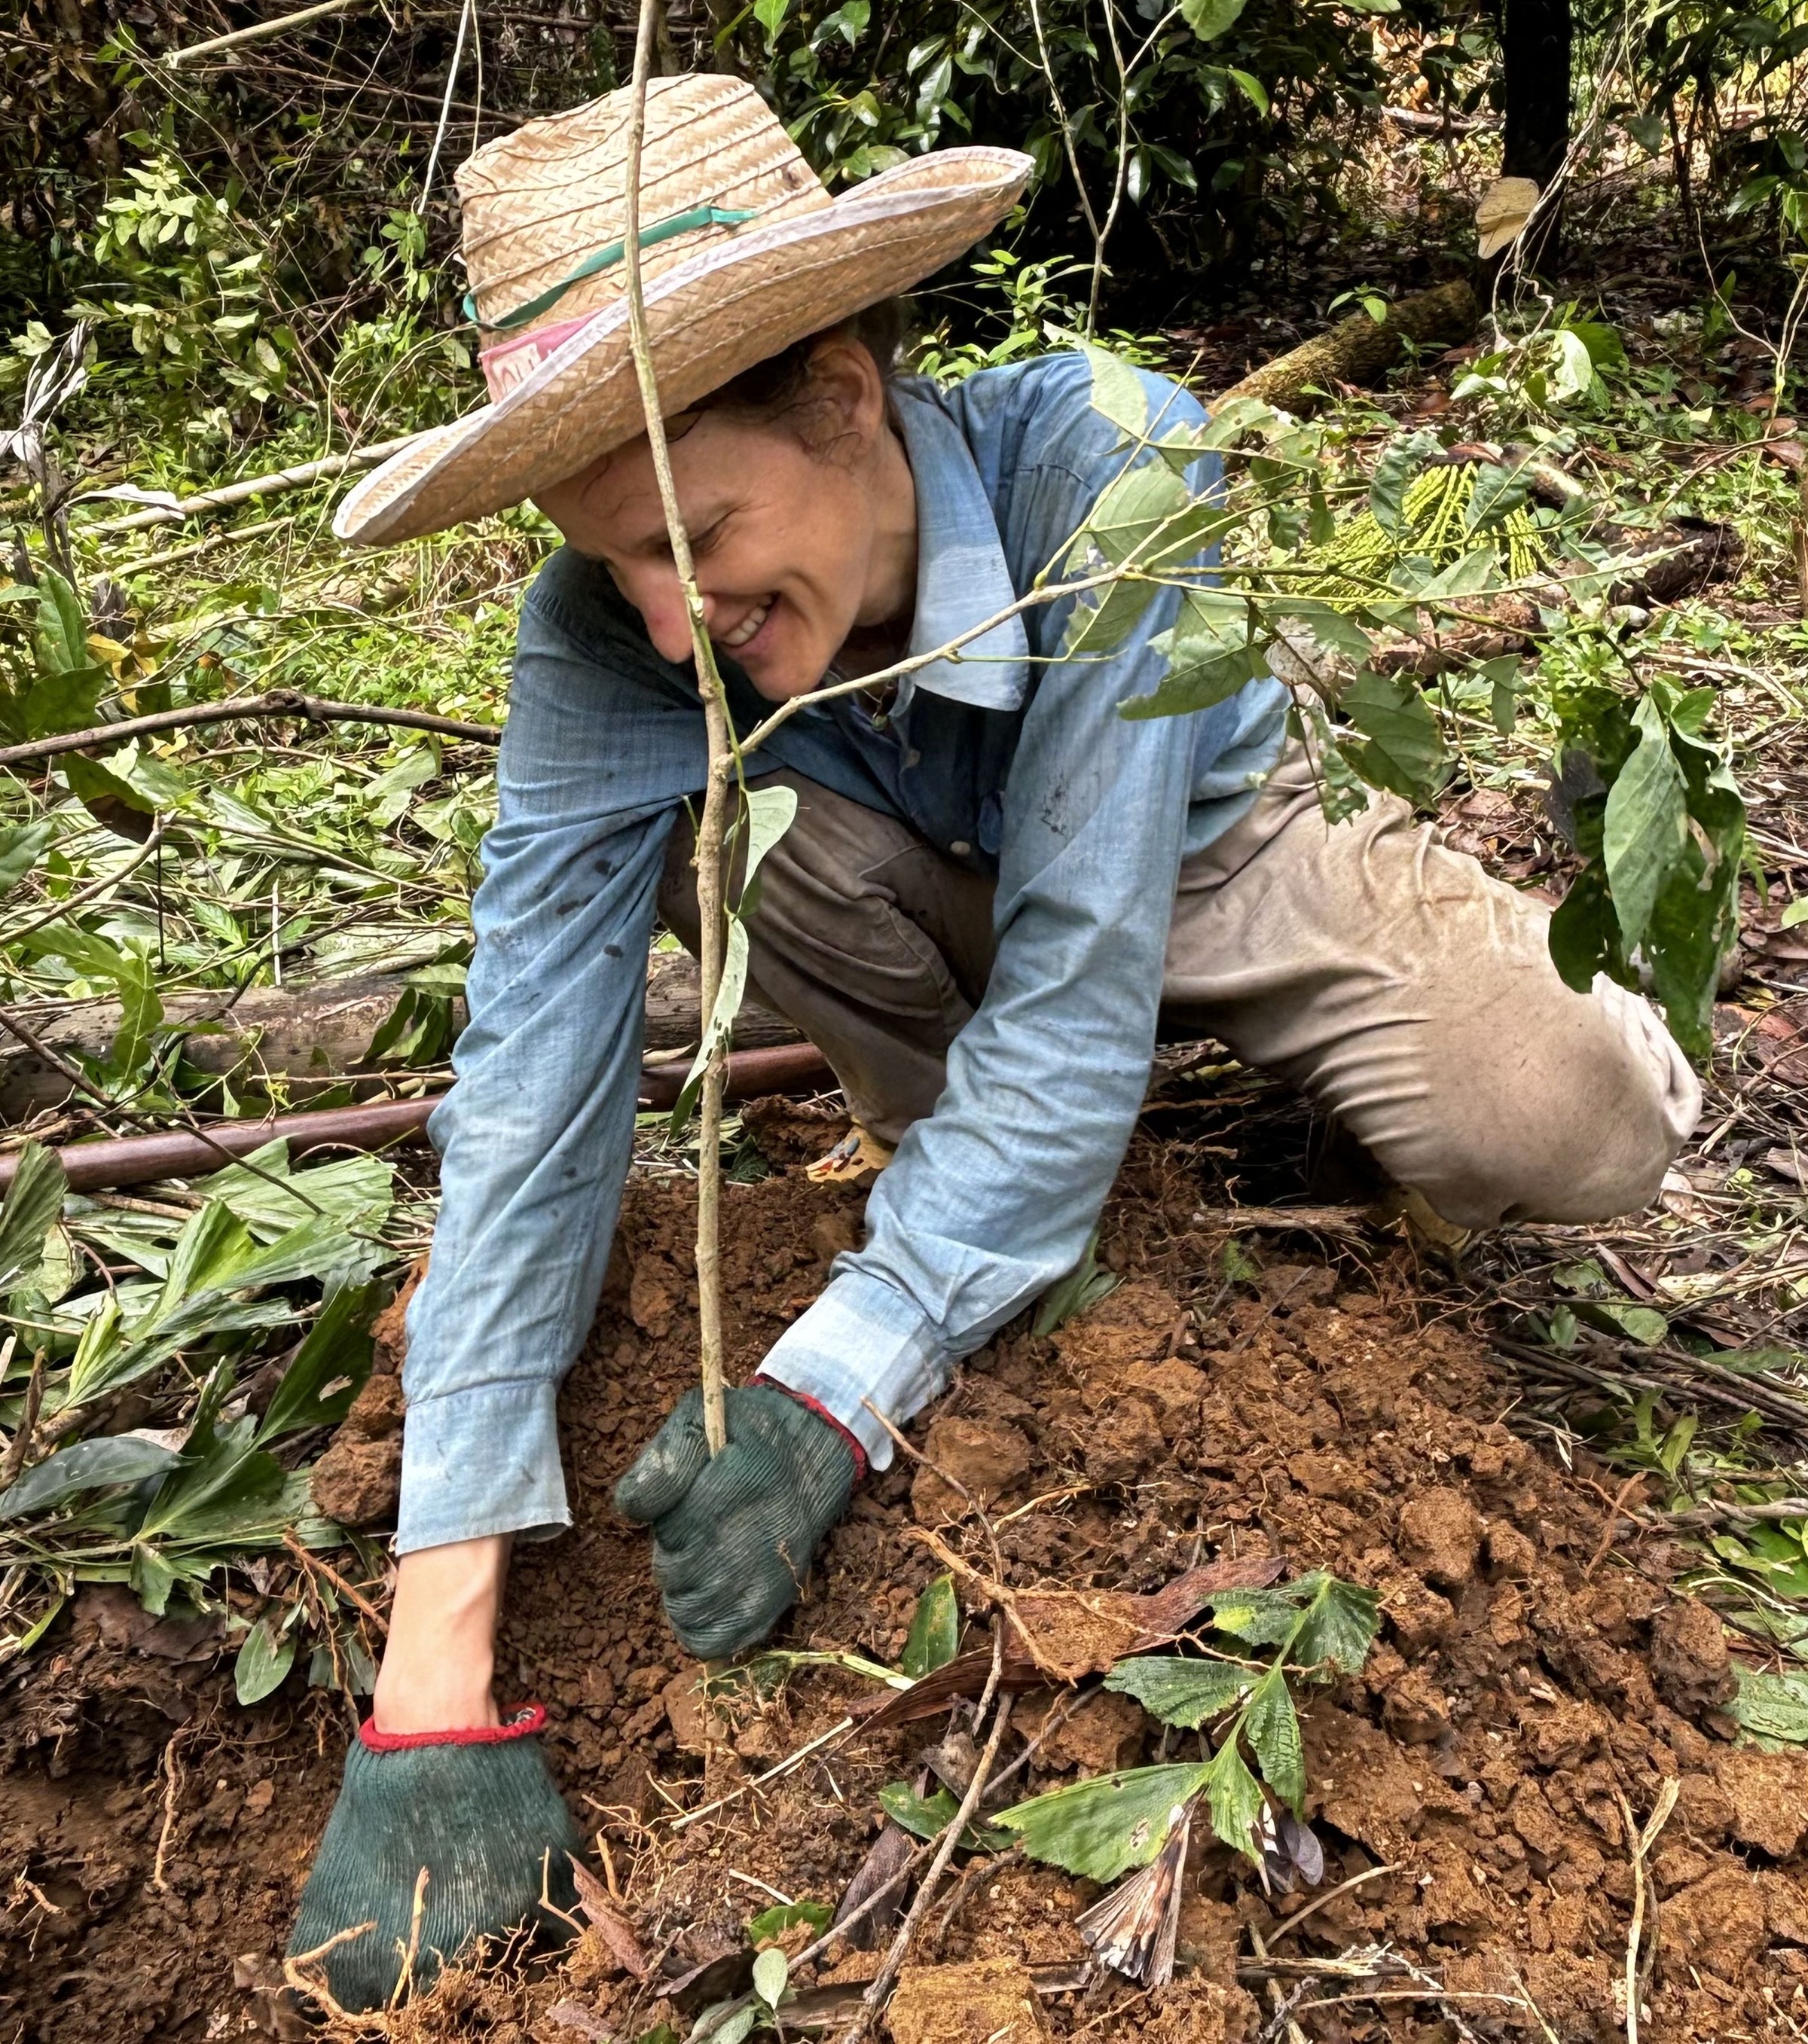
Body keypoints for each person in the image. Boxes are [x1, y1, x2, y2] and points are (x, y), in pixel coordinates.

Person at [287, 72, 1700, 2009]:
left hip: (1204, 853)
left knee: (1567, 1110)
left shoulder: (1109, 462)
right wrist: (434, 1663)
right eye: (614, 557)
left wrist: (825, 1388)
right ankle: (993, 1205)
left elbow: (1086, 960)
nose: (666, 618)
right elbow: (535, 1079)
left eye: (693, 536)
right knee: (738, 824)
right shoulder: (608, 636)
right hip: (907, 918)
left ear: (849, 397)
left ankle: (1188, 1143)